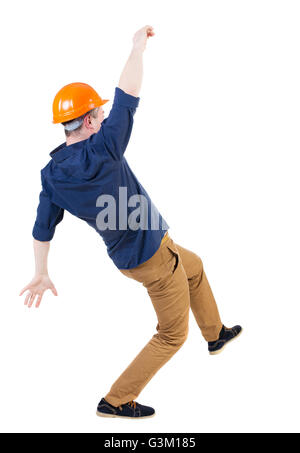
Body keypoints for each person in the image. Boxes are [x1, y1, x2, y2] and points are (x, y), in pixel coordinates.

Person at [19, 25, 242, 419]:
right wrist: (137, 48)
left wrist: (41, 271)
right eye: (98, 114)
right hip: (152, 257)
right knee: (172, 334)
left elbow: (42, 228)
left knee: (195, 267)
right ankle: (116, 400)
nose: (104, 118)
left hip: (137, 254)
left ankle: (216, 334)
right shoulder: (105, 147)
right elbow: (128, 96)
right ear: (88, 121)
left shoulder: (52, 175)